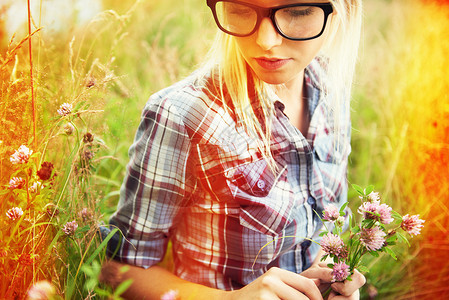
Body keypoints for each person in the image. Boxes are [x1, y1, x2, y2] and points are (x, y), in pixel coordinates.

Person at [100, 0, 366, 299]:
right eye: (240, 9)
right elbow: (118, 270)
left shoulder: (330, 85)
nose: (265, 41)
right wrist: (233, 299)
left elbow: (325, 228)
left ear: (341, 11)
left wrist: (332, 275)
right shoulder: (182, 114)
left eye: (297, 12)